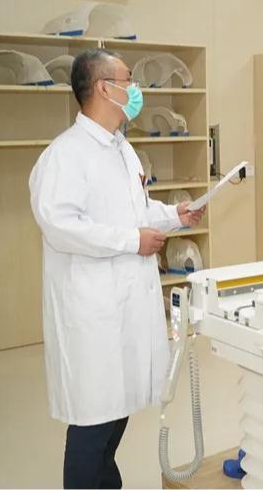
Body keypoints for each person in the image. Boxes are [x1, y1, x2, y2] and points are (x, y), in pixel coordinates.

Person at [29, 49, 205, 489]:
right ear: (104, 88)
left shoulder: (122, 149)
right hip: (92, 316)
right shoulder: (64, 155)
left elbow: (135, 210)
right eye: (129, 79)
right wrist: (132, 241)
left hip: (125, 307)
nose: (136, 88)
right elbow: (61, 226)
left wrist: (175, 214)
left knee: (115, 417)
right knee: (92, 425)